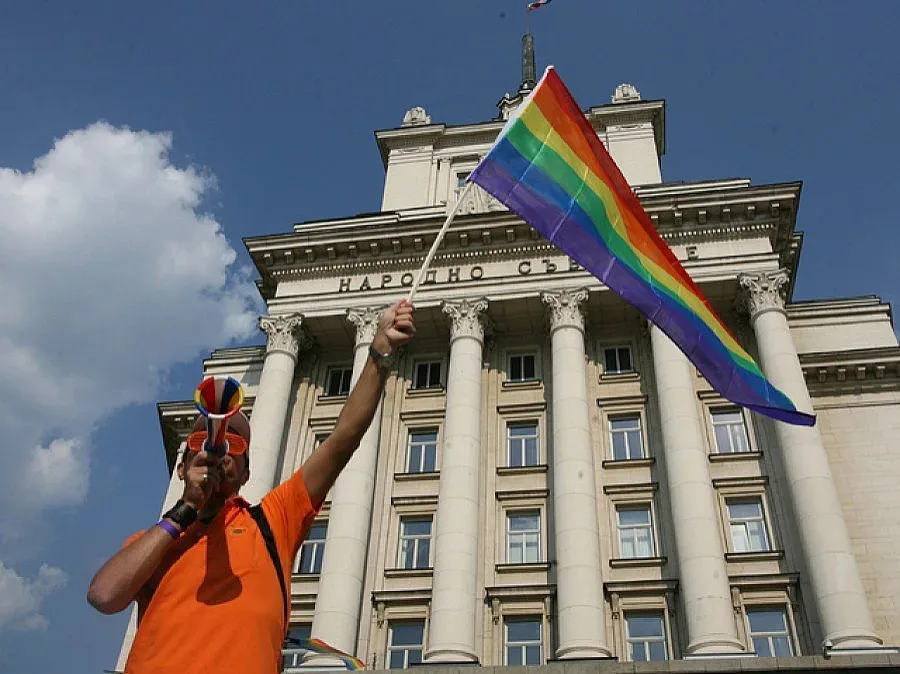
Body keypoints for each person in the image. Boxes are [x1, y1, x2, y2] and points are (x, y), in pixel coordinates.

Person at [87, 300, 416, 674]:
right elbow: (104, 595)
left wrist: (380, 352)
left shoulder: (273, 520)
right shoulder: (157, 541)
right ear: (181, 467)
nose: (218, 448)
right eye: (201, 443)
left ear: (245, 474)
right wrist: (184, 511)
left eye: (236, 446)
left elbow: (343, 438)